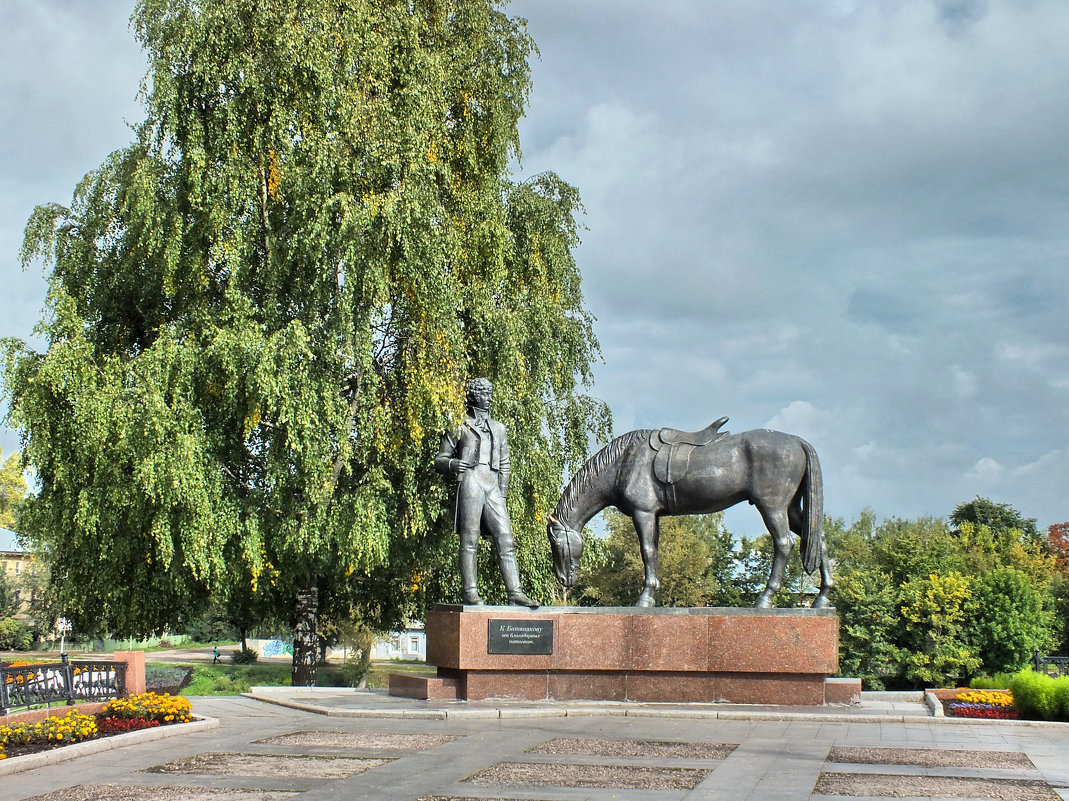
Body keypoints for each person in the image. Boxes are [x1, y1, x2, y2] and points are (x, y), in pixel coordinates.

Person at [434, 378, 538, 607]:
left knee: (506, 538)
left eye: (490, 393)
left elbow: (505, 463)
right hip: (471, 481)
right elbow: (440, 458)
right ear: (474, 396)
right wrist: (452, 464)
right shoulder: (459, 425)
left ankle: (515, 592)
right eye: (484, 394)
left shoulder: (499, 428)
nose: (489, 398)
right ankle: (470, 591)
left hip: (492, 485)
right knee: (469, 539)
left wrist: (502, 494)